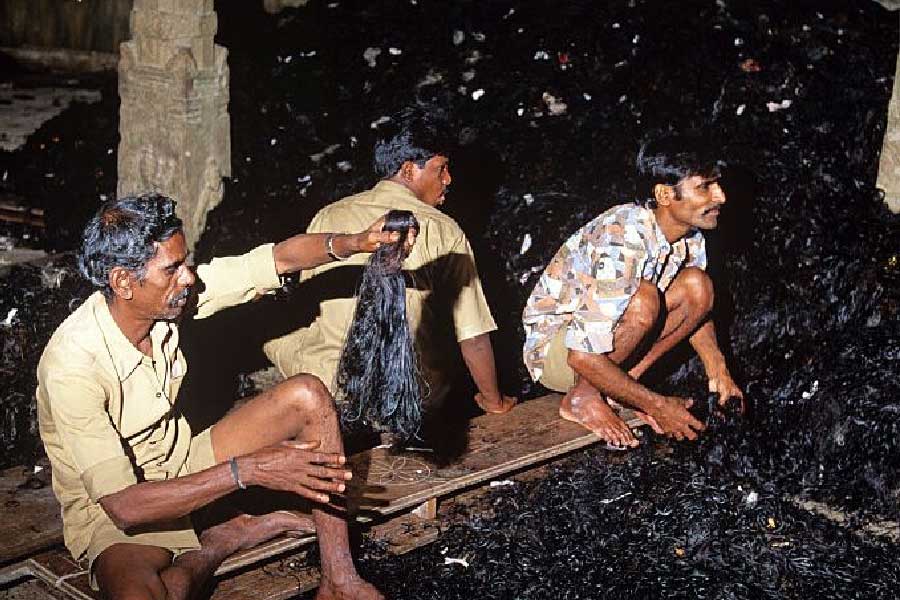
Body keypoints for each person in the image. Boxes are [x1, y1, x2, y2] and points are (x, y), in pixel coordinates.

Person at [36, 194, 401, 600]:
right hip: (119, 511)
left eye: (185, 262)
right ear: (123, 282)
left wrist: (354, 242)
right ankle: (219, 543)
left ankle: (339, 580)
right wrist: (247, 470)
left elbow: (277, 259)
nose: (188, 278)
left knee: (308, 395)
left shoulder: (167, 300)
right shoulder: (72, 364)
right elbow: (124, 506)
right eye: (172, 269)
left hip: (184, 462)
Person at [263, 108, 516, 422]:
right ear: (409, 170)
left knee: (278, 334)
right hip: (408, 396)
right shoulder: (445, 230)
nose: (448, 180)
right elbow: (473, 337)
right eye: (441, 169)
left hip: (328, 386)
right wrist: (494, 401)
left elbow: (302, 302)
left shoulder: (329, 215)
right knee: (442, 339)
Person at [522, 136, 744, 449]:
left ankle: (614, 389)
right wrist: (656, 405)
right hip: (557, 354)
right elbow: (581, 354)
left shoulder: (689, 235)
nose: (720, 196)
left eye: (718, 184)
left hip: (605, 348)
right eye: (705, 187)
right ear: (665, 194)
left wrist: (718, 369)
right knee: (644, 300)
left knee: (698, 286)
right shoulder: (624, 236)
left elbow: (698, 309)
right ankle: (582, 397)